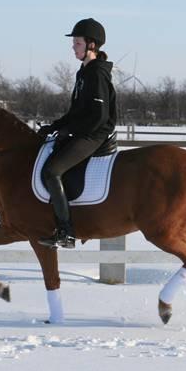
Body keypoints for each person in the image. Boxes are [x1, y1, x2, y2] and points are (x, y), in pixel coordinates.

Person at [37, 18, 117, 249]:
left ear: (91, 45)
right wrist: (54, 127)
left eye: (77, 43)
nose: (73, 47)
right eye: (74, 43)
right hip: (84, 131)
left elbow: (98, 116)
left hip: (94, 135)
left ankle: (66, 231)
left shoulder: (97, 74)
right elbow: (76, 112)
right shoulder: (83, 73)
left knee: (52, 172)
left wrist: (69, 132)